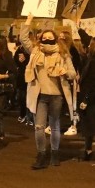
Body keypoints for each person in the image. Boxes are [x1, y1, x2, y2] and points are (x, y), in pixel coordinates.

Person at [20, 15, 77, 169]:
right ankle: (41, 154)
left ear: (56, 38)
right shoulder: (36, 51)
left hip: (56, 96)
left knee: (55, 125)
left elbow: (73, 74)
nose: (46, 39)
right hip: (39, 95)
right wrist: (28, 20)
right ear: (40, 39)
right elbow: (23, 38)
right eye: (44, 38)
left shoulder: (63, 54)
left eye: (50, 37)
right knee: (39, 126)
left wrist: (64, 71)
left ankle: (55, 153)